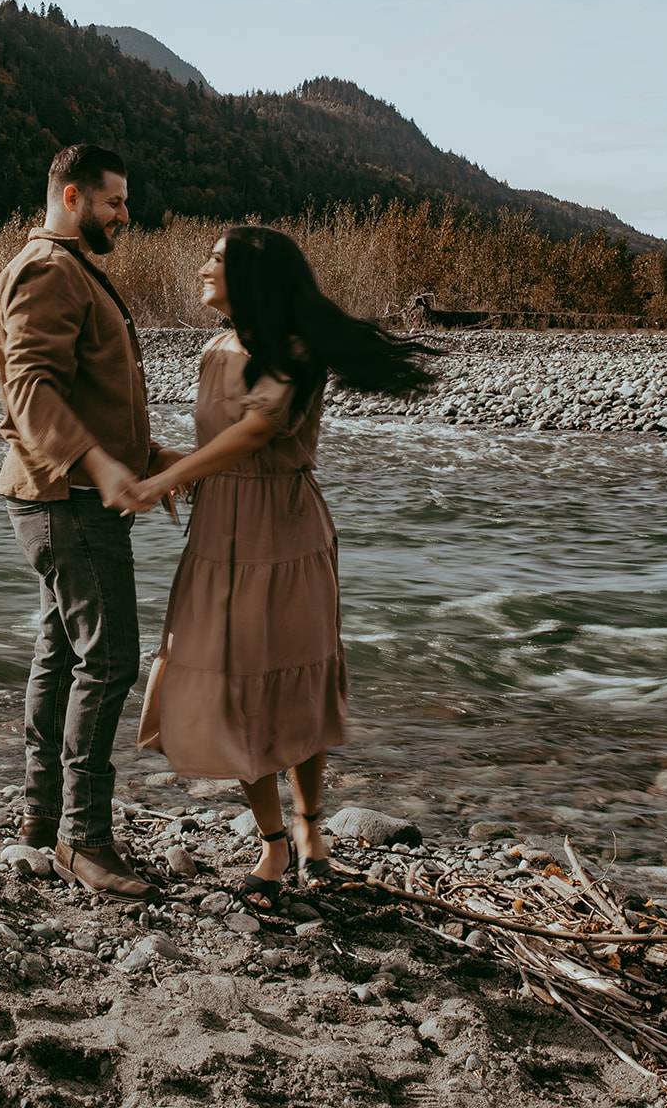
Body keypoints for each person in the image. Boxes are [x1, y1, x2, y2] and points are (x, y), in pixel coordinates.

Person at [125, 226, 437, 912]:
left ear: (252, 277)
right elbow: (219, 447)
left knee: (294, 682)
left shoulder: (294, 349)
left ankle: (309, 831)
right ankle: (271, 841)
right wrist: (158, 460)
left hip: (287, 536)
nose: (203, 266)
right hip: (218, 535)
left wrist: (160, 483)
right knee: (227, 685)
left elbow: (259, 430)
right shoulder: (214, 348)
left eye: (217, 258)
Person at [0, 143, 171, 902]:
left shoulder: (66, 268)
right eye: (114, 202)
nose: (124, 216)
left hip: (65, 493)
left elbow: (84, 391)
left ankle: (41, 816)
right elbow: (30, 390)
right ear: (72, 197)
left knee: (61, 654)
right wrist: (100, 468)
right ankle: (83, 841)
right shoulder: (47, 269)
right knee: (109, 662)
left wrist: (153, 458)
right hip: (67, 499)